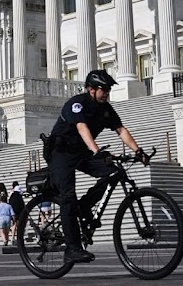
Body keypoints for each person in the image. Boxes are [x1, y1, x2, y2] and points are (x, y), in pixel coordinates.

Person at [47, 69, 151, 264]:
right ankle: (72, 248)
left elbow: (120, 129)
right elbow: (82, 128)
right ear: (91, 89)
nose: (107, 93)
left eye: (108, 89)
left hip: (81, 152)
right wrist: (97, 151)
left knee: (113, 172)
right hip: (60, 152)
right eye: (103, 89)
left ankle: (85, 206)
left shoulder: (105, 109)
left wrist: (139, 151)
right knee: (68, 196)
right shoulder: (77, 104)